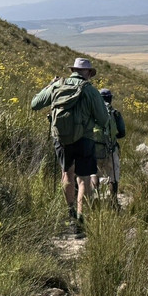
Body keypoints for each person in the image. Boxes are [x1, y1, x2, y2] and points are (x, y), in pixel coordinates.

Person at [30, 57, 110, 227]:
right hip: (85, 139)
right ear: (88, 73)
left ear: (73, 70)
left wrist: (48, 85)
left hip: (61, 138)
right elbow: (103, 120)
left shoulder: (58, 85)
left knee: (67, 174)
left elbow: (34, 104)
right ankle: (81, 217)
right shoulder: (91, 91)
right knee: (83, 179)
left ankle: (70, 211)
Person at [94, 87, 127, 204]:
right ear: (110, 99)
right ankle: (113, 202)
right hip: (110, 149)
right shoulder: (114, 113)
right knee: (113, 177)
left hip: (94, 149)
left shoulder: (93, 112)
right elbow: (122, 132)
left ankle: (95, 200)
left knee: (94, 174)